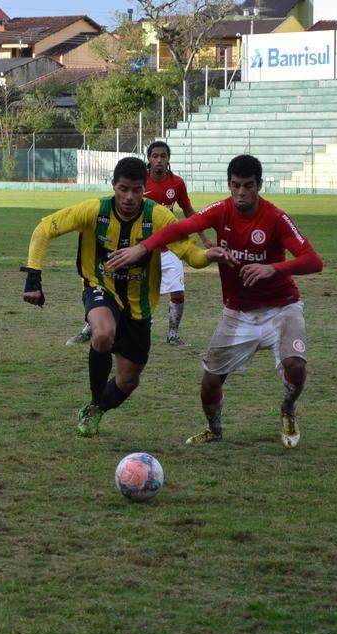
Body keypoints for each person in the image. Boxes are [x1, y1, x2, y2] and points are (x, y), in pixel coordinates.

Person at [107, 154, 323, 449]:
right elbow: (179, 229)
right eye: (235, 185)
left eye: (248, 186)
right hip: (238, 312)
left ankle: (287, 409)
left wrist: (273, 268)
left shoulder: (275, 218)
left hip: (281, 307)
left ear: (259, 185)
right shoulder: (221, 211)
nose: (241, 193)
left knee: (295, 364)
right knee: (209, 384)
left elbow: (314, 260)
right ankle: (214, 429)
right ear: (229, 184)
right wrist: (143, 247)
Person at [23, 157, 220, 437]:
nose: (129, 197)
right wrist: (33, 278)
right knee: (103, 333)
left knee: (128, 381)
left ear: (144, 190)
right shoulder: (94, 210)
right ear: (113, 185)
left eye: (136, 190)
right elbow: (44, 229)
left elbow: (190, 254)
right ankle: (94, 404)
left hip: (140, 305)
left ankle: (98, 408)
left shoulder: (159, 217)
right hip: (99, 286)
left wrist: (207, 256)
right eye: (123, 189)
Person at [65, 141, 211, 347]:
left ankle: (173, 333)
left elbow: (188, 211)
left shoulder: (177, 183)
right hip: (137, 248)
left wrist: (203, 238)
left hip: (168, 248)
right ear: (149, 159)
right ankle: (90, 327)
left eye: (163, 156)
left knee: (178, 289)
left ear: (168, 159)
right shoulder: (139, 181)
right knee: (107, 286)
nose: (159, 160)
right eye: (155, 156)